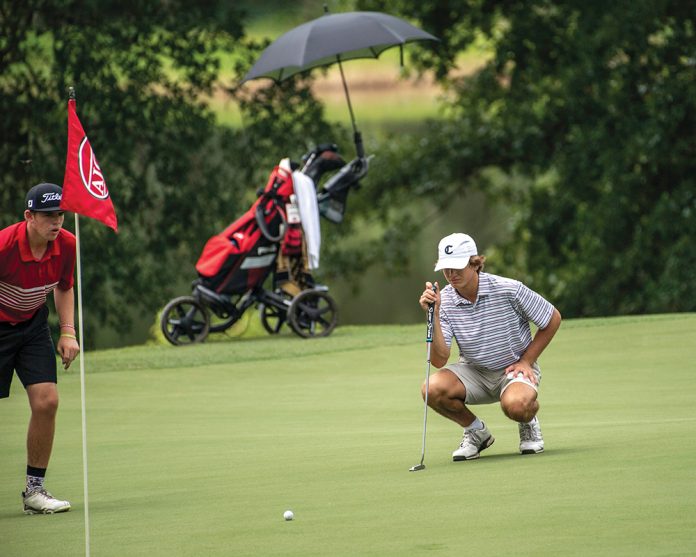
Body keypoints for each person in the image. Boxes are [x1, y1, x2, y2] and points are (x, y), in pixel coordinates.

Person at [418, 232, 561, 461]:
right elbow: (439, 360)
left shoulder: (508, 289)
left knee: (516, 406)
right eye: (446, 268)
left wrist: (527, 360)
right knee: (431, 388)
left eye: (457, 267)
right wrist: (432, 315)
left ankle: (528, 422)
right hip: (475, 372)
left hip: (514, 370)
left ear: (474, 264)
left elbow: (552, 318)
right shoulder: (443, 301)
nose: (451, 274)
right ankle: (476, 432)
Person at [0, 183, 80, 514]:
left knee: (47, 402)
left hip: (32, 326)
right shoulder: (4, 245)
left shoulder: (67, 244)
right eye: (49, 215)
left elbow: (64, 286)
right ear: (29, 216)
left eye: (61, 214)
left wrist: (67, 331)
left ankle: (35, 491)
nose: (57, 221)